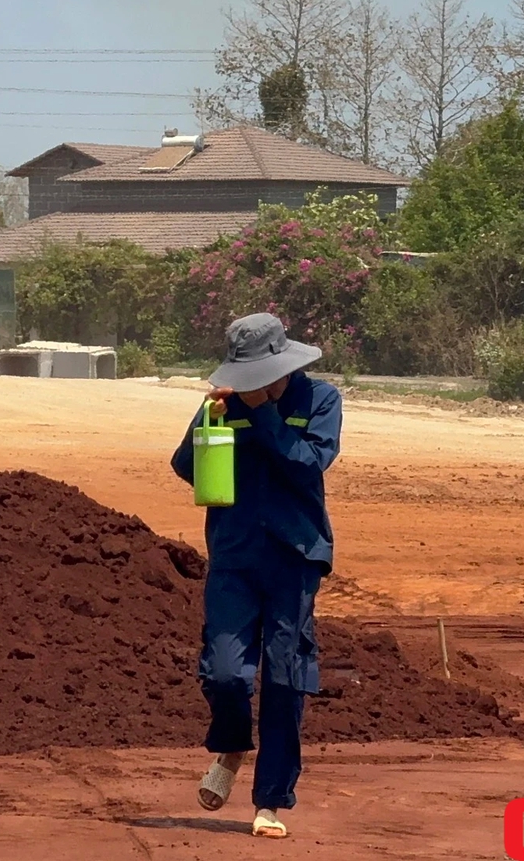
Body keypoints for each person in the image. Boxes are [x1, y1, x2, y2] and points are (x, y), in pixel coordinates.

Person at [168, 312, 340, 839]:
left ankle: (270, 801)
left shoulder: (320, 400)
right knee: (223, 671)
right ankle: (231, 746)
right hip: (234, 555)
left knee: (286, 676)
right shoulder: (221, 402)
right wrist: (212, 423)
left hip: (294, 555)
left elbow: (307, 464)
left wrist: (263, 414)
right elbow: (184, 465)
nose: (253, 385)